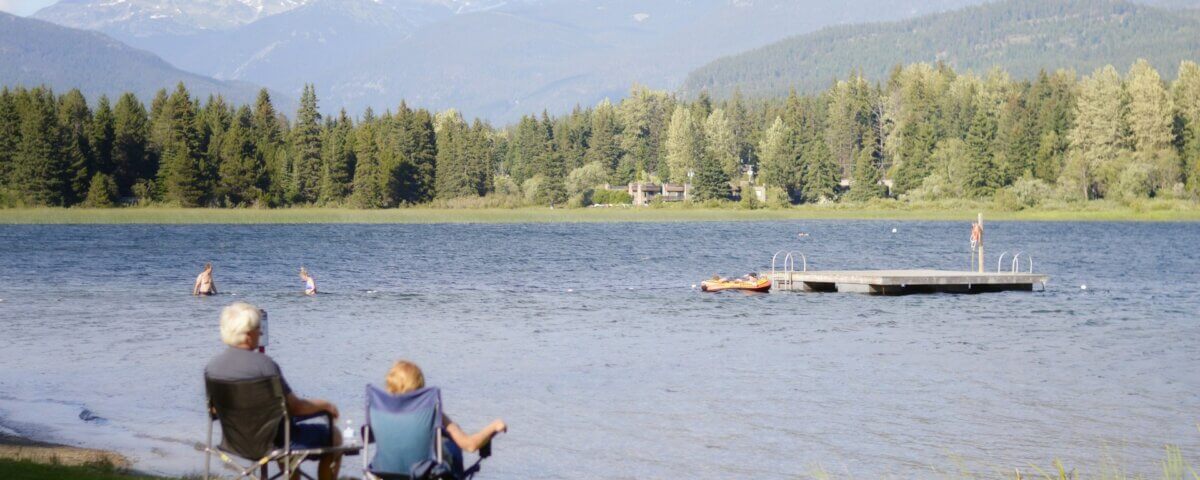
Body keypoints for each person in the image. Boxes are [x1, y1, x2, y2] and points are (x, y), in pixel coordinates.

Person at [205, 302, 343, 480]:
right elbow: (297, 408)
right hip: (274, 443)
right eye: (258, 329)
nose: (261, 333)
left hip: (235, 443)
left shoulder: (213, 368)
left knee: (280, 430)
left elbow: (214, 410)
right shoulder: (265, 366)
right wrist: (326, 405)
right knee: (334, 435)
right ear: (247, 335)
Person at [384, 361, 506, 472]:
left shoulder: (382, 414)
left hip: (386, 473)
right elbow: (470, 445)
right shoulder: (431, 412)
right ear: (420, 388)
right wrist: (494, 426)